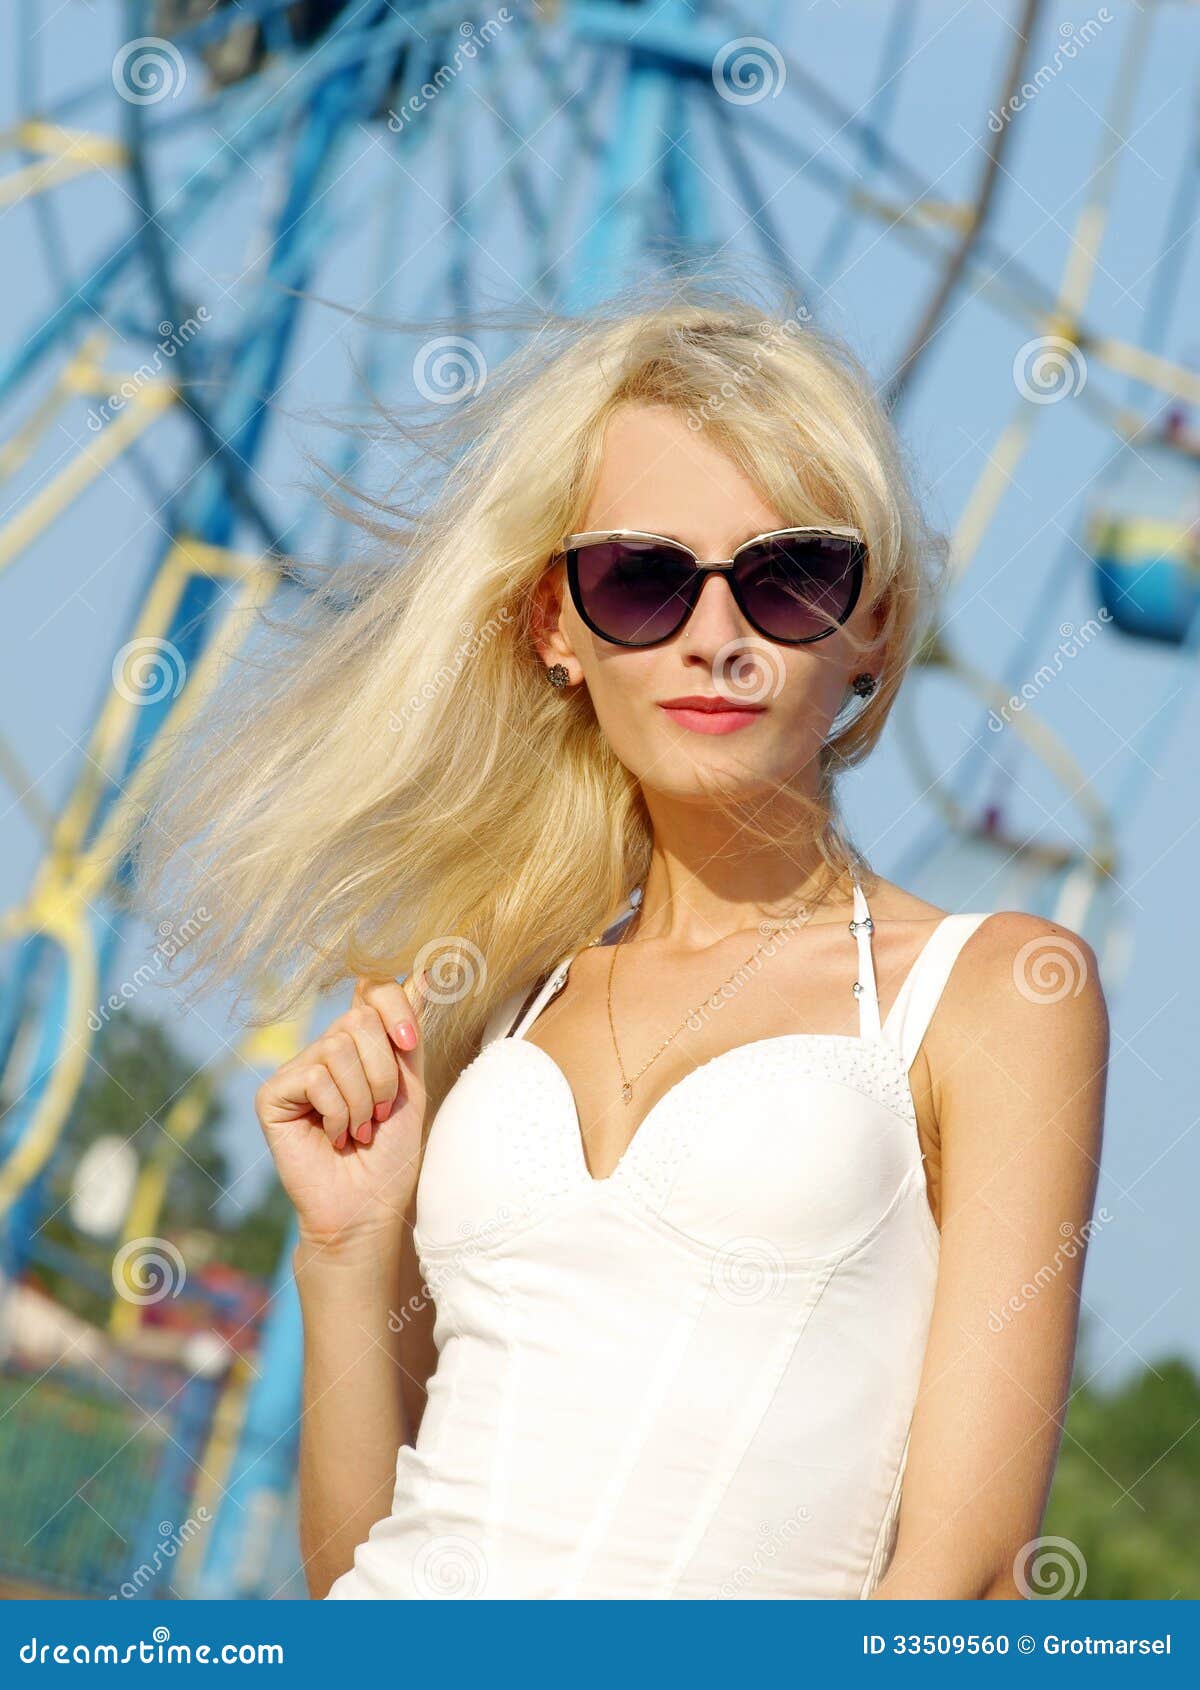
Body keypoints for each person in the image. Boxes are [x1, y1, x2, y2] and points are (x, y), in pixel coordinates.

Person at [133, 281, 1108, 1600]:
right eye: (642, 579)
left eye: (791, 577)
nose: (718, 639)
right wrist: (346, 1251)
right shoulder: (481, 991)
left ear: (873, 623)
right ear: (557, 627)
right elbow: (355, 1566)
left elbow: (972, 1567)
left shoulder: (995, 993)